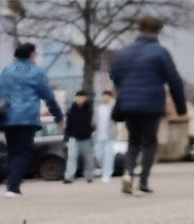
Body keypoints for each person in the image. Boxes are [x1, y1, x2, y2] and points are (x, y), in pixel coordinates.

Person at [109, 15, 186, 194]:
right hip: (151, 104)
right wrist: (180, 108)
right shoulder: (160, 52)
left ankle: (128, 174)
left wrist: (125, 87)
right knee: (149, 143)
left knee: (133, 142)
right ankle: (143, 182)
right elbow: (174, 81)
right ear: (158, 31)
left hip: (128, 105)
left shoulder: (124, 52)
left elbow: (114, 73)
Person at [0, 42, 64, 198]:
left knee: (12, 151)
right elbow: (49, 97)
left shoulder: (6, 71)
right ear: (31, 54)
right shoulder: (36, 73)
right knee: (22, 152)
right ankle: (13, 187)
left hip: (8, 118)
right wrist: (58, 117)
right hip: (27, 119)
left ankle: (11, 184)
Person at [63, 90, 95, 183]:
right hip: (74, 138)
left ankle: (89, 176)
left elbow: (93, 124)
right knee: (71, 158)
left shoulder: (90, 110)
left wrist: (91, 132)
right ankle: (69, 177)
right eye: (78, 97)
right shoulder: (71, 110)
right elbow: (68, 125)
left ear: (85, 98)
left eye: (82, 97)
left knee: (88, 159)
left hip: (87, 138)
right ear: (75, 98)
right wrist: (66, 137)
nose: (80, 99)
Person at [94, 90, 117, 182]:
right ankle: (105, 170)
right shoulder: (97, 109)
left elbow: (116, 121)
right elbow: (93, 122)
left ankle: (107, 174)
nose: (105, 98)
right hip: (98, 136)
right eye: (104, 96)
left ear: (110, 98)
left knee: (108, 156)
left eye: (108, 96)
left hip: (109, 136)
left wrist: (115, 132)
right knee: (99, 155)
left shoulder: (113, 109)